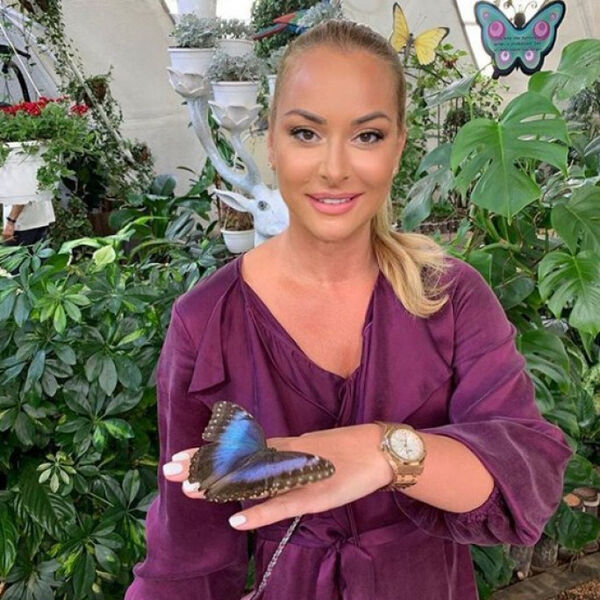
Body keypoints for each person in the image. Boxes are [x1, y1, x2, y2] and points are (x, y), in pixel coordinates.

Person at [125, 19, 572, 600]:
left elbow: (524, 475)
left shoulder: (450, 297)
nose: (335, 168)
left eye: (367, 135)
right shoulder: (207, 321)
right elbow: (188, 560)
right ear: (270, 141)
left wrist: (383, 451)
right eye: (306, 133)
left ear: (398, 147)